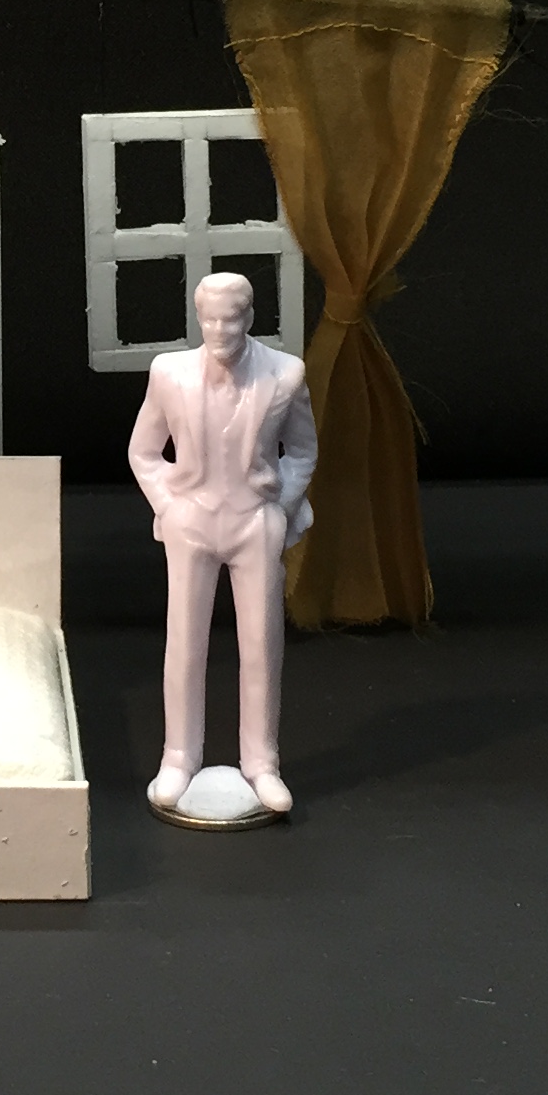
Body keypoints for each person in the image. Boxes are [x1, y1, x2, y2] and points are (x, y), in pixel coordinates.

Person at [126, 270, 315, 818]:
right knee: (184, 643)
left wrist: (279, 510)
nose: (219, 331)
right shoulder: (169, 373)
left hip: (255, 522)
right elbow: (144, 452)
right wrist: (170, 508)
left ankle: (263, 764)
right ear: (197, 318)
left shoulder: (285, 374)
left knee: (261, 646)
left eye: (230, 319)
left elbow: (303, 450)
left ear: (249, 317)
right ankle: (178, 757)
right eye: (209, 319)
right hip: (191, 521)